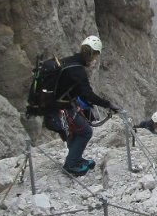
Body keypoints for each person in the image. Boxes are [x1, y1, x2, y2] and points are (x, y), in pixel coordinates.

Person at [42, 35, 119, 177]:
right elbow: (87, 95)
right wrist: (108, 104)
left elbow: (70, 87)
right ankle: (70, 165)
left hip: (54, 107)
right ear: (92, 54)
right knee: (85, 132)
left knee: (74, 131)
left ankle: (75, 158)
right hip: (61, 108)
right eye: (95, 55)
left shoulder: (67, 62)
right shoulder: (78, 70)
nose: (95, 59)